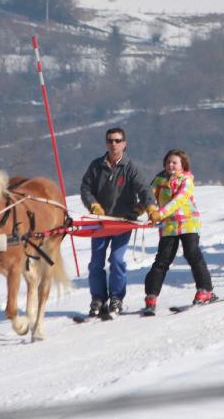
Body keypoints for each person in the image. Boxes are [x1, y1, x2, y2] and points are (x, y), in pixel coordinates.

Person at [80, 127, 158, 318]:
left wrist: (151, 208)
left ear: (124, 143)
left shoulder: (130, 167)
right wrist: (94, 206)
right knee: (96, 263)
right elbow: (86, 188)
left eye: (117, 140)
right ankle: (98, 298)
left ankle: (116, 297)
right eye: (110, 140)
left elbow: (144, 190)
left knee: (116, 260)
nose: (113, 144)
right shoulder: (96, 165)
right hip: (100, 222)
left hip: (122, 222)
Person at [142, 149, 216, 314]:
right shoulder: (159, 180)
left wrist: (158, 214)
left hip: (188, 222)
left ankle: (205, 290)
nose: (171, 165)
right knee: (162, 260)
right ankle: (151, 296)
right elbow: (149, 197)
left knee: (192, 255)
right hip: (169, 226)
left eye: (174, 162)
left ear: (183, 165)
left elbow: (178, 201)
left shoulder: (186, 180)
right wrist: (139, 210)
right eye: (168, 162)